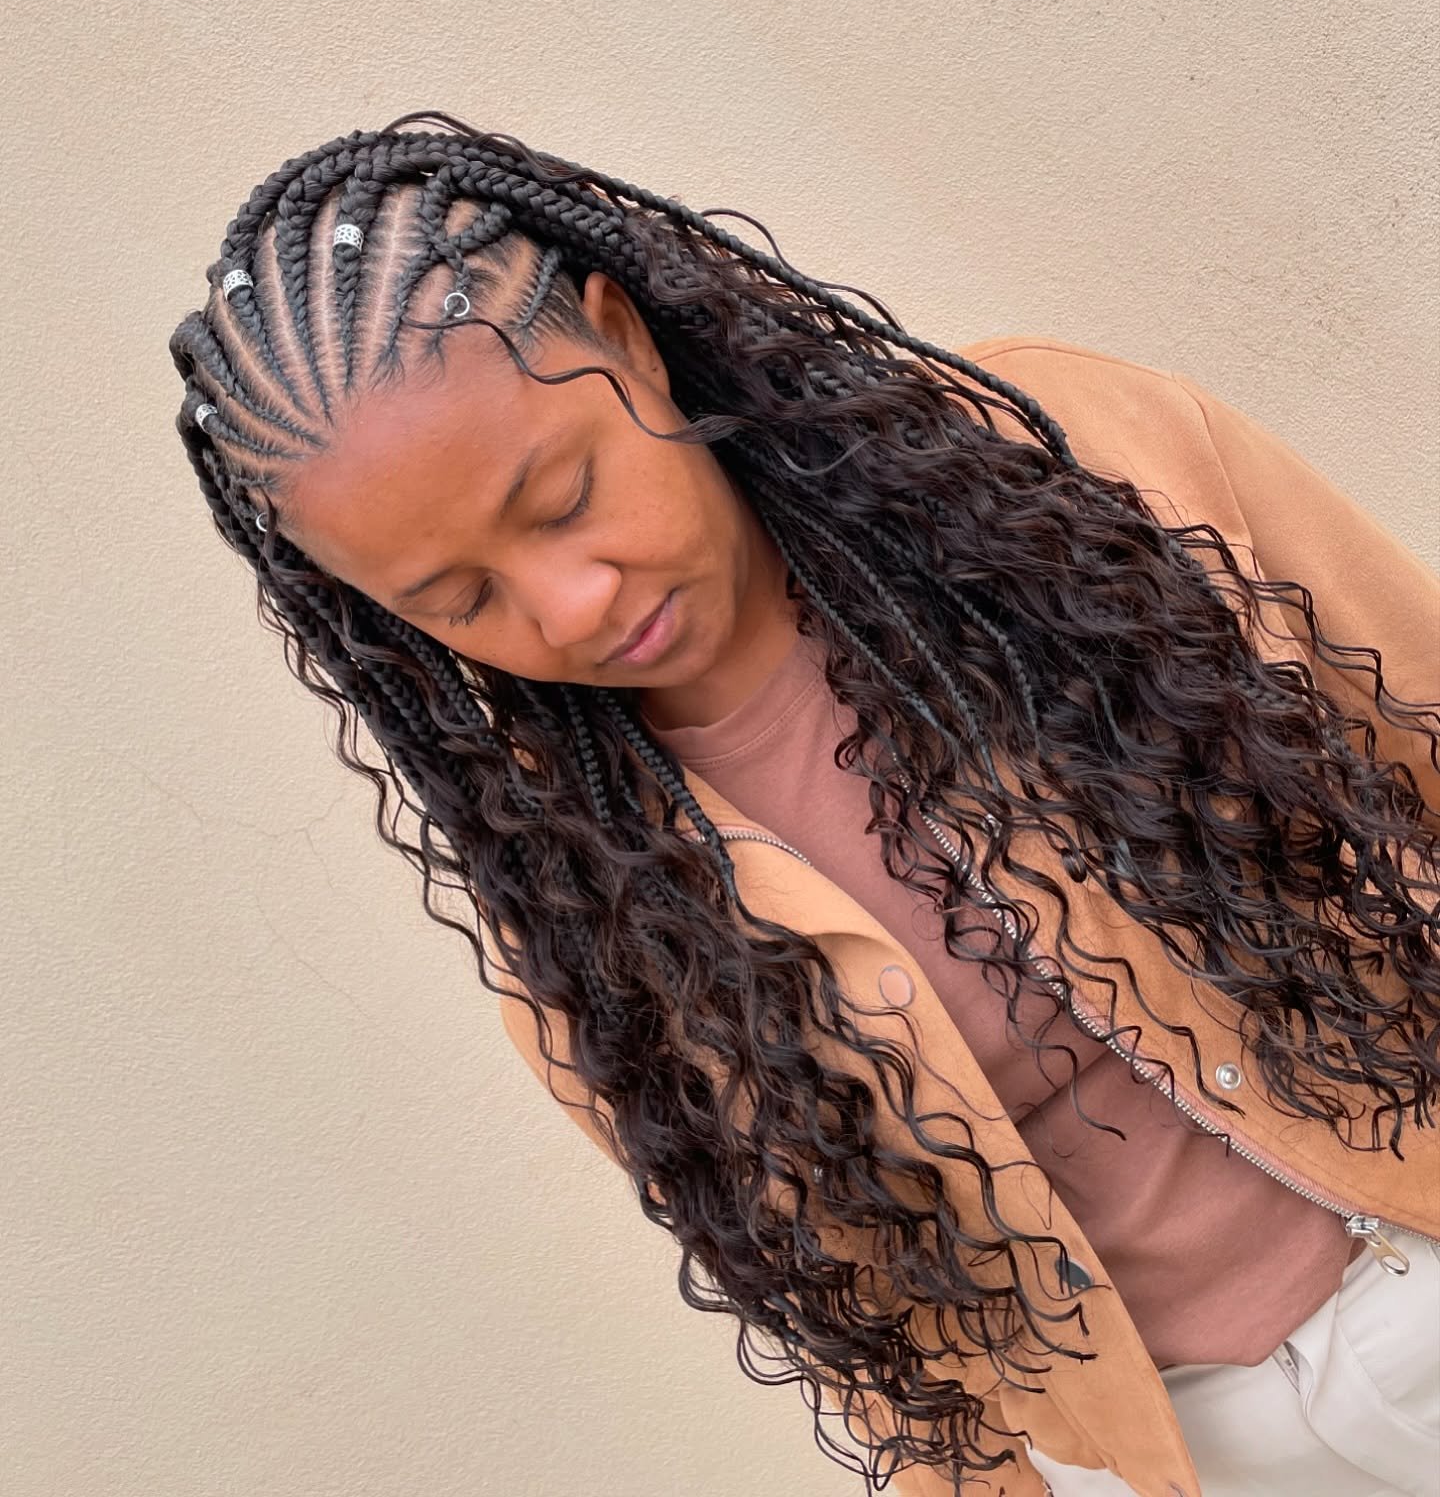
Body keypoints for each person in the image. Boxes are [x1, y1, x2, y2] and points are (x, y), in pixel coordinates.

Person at [169, 112, 1440, 1497]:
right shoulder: (589, 929)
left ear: (626, 335)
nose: (569, 603)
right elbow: (883, 1348)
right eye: (457, 602)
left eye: (565, 497)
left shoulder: (1068, 466)